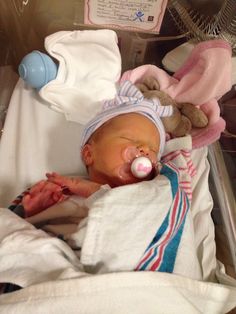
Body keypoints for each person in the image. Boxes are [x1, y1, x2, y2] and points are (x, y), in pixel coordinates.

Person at [21, 80, 173, 217]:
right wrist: (38, 210)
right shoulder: (62, 191)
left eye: (153, 149)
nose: (145, 149)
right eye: (129, 139)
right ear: (88, 154)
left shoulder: (154, 195)